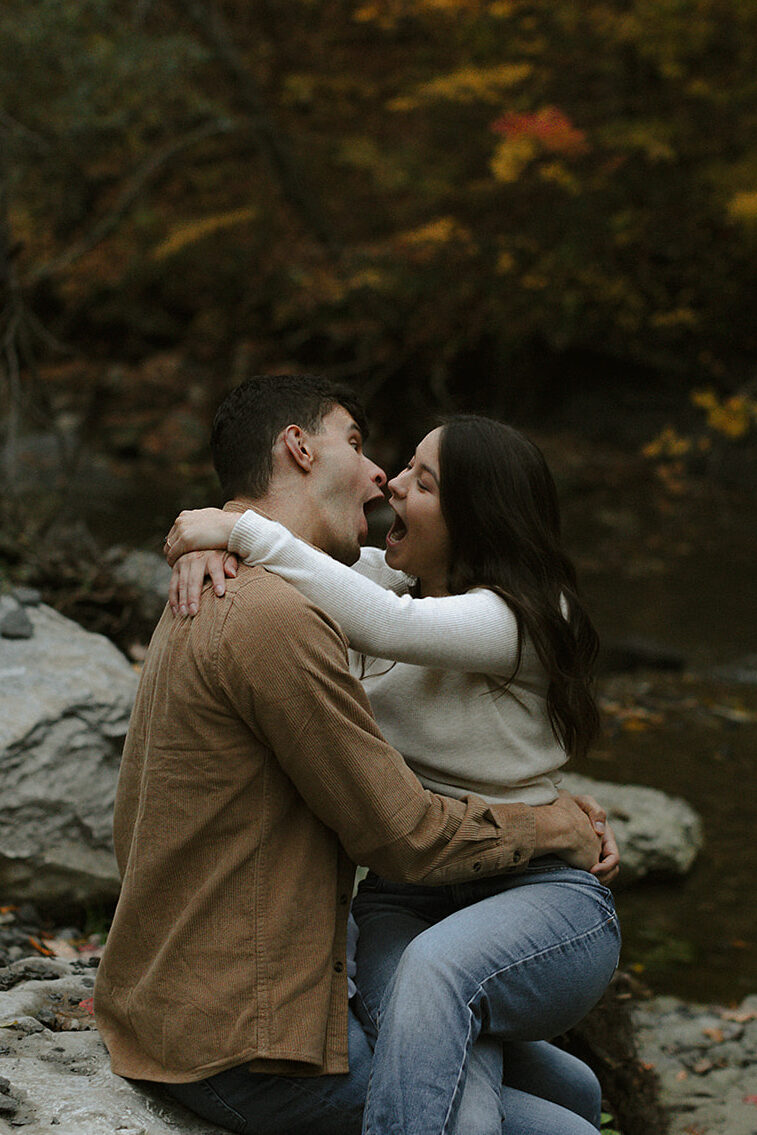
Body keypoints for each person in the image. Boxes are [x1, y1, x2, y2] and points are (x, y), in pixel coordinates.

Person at [164, 408, 622, 1135]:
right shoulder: (383, 581)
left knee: (434, 975)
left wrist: (242, 533)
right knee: (559, 1094)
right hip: (404, 901)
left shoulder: (528, 615)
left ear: (477, 517)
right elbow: (300, 549)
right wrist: (207, 541)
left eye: (423, 480)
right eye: (400, 464)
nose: (391, 481)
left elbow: (385, 625)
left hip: (534, 889)